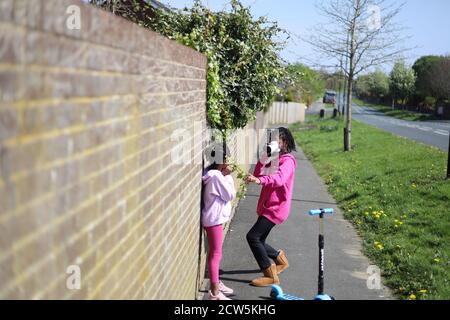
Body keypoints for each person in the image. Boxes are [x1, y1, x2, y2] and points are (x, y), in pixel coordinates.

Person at [245, 127, 297, 287]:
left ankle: (270, 274)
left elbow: (279, 179)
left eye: (276, 141)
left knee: (253, 237)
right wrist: (264, 157)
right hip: (268, 206)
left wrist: (259, 181)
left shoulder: (288, 161)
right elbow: (259, 174)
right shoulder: (273, 159)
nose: (271, 143)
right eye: (270, 140)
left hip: (276, 208)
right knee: (260, 239)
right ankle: (280, 259)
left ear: (284, 143)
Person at [201, 144, 236, 300]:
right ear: (221, 159)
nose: (228, 161)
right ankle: (215, 293)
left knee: (214, 253)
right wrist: (228, 176)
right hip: (214, 220)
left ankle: (216, 282)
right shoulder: (216, 176)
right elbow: (229, 195)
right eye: (226, 158)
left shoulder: (213, 173)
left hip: (213, 218)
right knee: (216, 254)